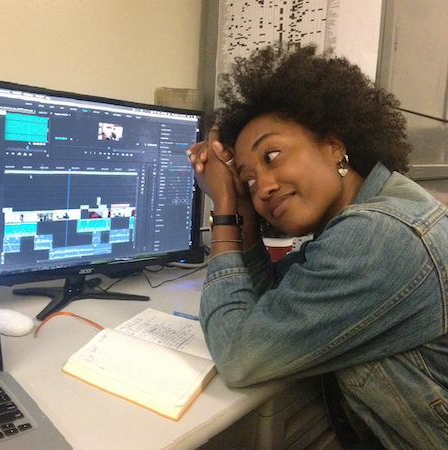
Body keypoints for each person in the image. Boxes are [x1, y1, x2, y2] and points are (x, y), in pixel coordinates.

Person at [187, 44, 448, 449]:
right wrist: (243, 206)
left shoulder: (377, 238)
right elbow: (270, 300)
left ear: (333, 144)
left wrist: (222, 207)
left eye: (272, 156)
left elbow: (238, 354)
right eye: (249, 179)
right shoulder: (373, 209)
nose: (264, 187)